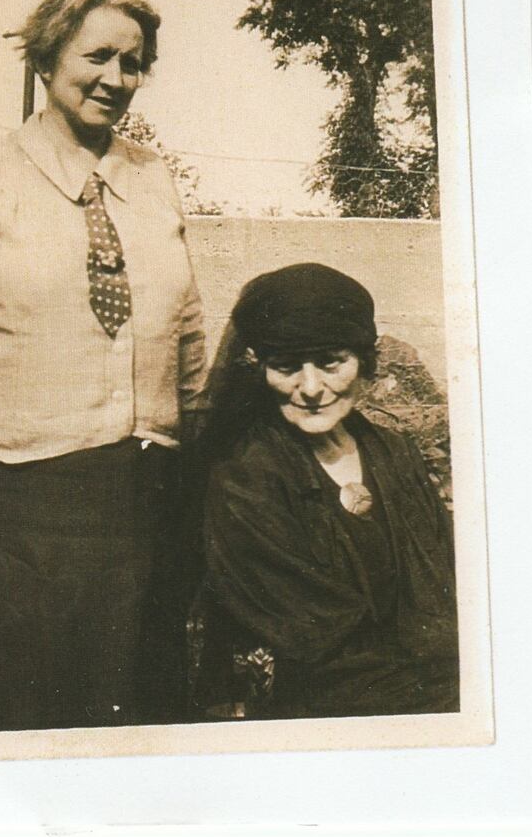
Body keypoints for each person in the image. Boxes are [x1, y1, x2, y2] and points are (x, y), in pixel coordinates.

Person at [0, 0, 207, 732]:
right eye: (97, 57)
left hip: (140, 488)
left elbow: (186, 322)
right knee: (17, 699)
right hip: (17, 487)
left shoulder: (152, 177)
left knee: (131, 694)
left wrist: (199, 435)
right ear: (46, 59)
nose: (116, 79)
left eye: (133, 63)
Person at [195, 263, 459, 720]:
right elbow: (311, 632)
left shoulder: (394, 452)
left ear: (364, 363)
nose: (312, 388)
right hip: (326, 700)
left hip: (430, 680)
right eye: (286, 367)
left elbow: (445, 581)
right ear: (261, 370)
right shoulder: (245, 476)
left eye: (331, 362)